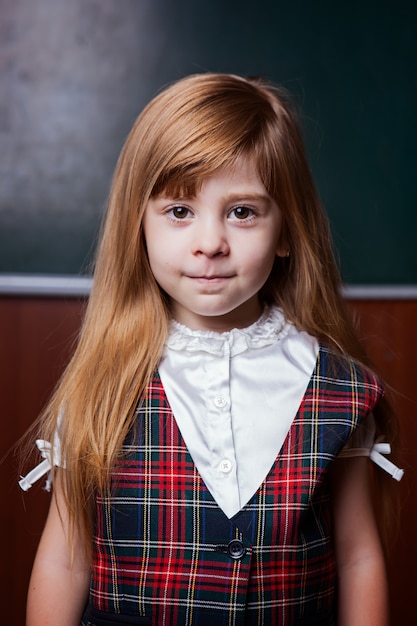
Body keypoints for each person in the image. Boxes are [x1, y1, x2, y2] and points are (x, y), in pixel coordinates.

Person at [20, 73, 403, 626]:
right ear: (140, 228)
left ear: (287, 231)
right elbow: (66, 560)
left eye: (242, 212)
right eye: (179, 211)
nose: (210, 242)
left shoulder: (338, 389)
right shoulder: (102, 384)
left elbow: (359, 555)